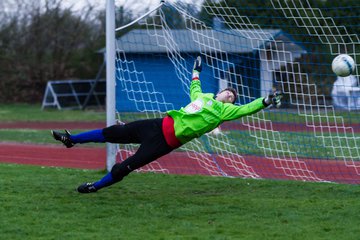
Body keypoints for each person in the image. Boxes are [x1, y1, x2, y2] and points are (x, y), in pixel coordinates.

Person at [51, 56, 282, 193]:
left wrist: (265, 101)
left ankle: (95, 187)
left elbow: (247, 108)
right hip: (157, 125)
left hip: (164, 142)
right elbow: (195, 85)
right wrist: (196, 69)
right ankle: (71, 139)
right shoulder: (202, 98)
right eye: (228, 93)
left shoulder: (226, 112)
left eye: (232, 96)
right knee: (113, 132)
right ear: (220, 92)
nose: (230, 96)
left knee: (124, 167)